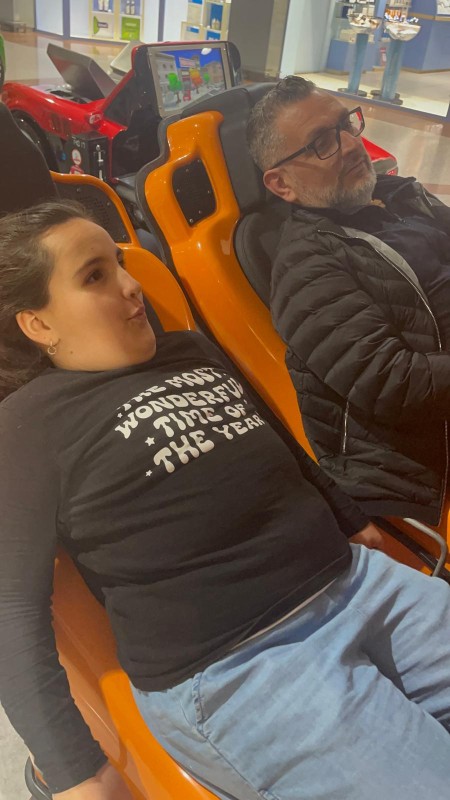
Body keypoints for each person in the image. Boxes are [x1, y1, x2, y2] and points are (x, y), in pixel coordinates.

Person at [0, 201, 449, 800]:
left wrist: (348, 517)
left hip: (361, 584)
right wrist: (73, 771)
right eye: (95, 276)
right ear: (38, 324)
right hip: (242, 666)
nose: (132, 286)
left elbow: (279, 443)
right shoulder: (26, 424)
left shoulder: (190, 350)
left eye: (121, 263)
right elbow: (12, 605)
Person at [246, 76, 450, 526]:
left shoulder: (399, 196)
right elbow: (394, 384)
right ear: (281, 184)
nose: (353, 145)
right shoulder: (305, 267)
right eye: (322, 143)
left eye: (346, 125)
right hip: (423, 458)